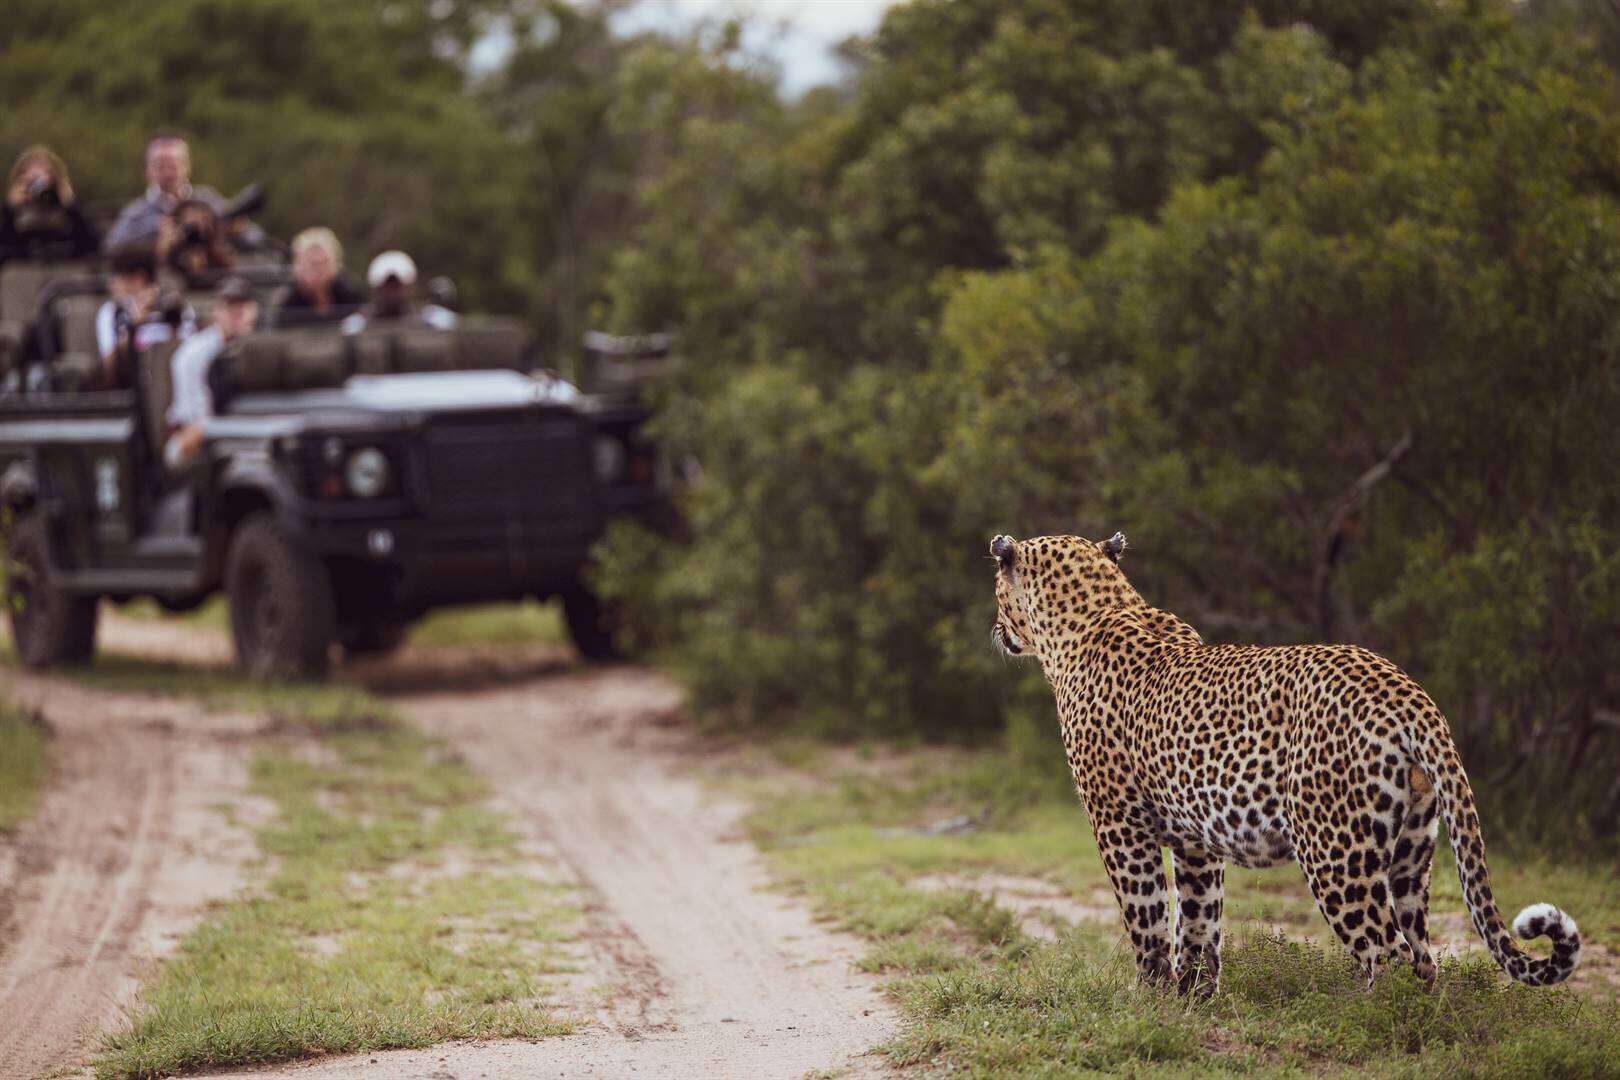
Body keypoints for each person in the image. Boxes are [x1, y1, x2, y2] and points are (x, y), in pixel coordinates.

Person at [165, 275, 258, 469]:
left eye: (243, 305)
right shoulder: (191, 354)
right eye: (229, 306)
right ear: (216, 311)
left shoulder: (267, 347)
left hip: (256, 432)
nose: (237, 312)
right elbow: (194, 423)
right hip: (208, 437)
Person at [92, 245, 195, 391]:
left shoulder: (174, 305)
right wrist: (134, 325)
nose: (111, 284)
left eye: (116, 277)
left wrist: (173, 324)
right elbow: (109, 366)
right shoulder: (110, 312)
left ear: (138, 279)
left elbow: (190, 352)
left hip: (172, 381)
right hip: (131, 385)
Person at [103, 135, 226, 252]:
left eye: (174, 165)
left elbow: (241, 231)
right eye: (160, 166)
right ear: (148, 169)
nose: (168, 173)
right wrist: (155, 237)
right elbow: (110, 248)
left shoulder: (208, 198)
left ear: (187, 166)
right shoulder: (136, 212)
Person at [0, 145, 98, 266]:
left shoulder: (70, 208)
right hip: (20, 273)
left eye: (43, 178)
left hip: (65, 269)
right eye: (31, 180)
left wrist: (71, 206)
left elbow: (91, 245)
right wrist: (10, 209)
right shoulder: (11, 210)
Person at [342, 250, 456, 333]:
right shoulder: (357, 325)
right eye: (387, 286)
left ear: (410, 287)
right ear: (375, 290)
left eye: (397, 286)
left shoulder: (432, 319)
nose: (392, 293)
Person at [269, 227, 361, 328]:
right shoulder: (288, 302)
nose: (316, 271)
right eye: (310, 264)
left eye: (321, 264)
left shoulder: (349, 295)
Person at [156, 197, 235, 284]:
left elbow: (228, 265)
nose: (192, 226)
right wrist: (167, 243)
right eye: (187, 217)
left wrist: (209, 237)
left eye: (198, 218)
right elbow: (161, 267)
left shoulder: (213, 241)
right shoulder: (175, 245)